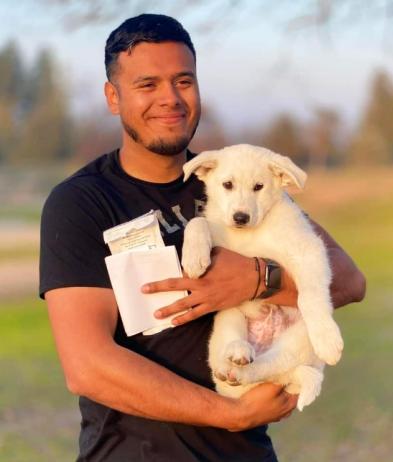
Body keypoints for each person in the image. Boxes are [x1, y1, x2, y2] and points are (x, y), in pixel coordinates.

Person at [40, 13, 366, 462]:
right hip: (132, 453)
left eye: (184, 81)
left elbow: (350, 281)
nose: (170, 99)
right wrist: (226, 414)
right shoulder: (83, 201)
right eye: (147, 84)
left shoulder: (235, 177)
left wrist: (258, 279)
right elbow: (88, 366)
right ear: (113, 97)